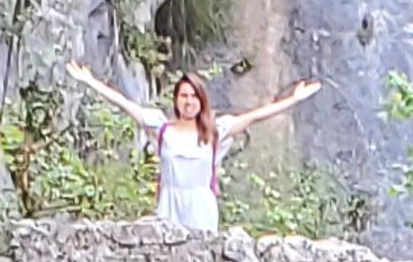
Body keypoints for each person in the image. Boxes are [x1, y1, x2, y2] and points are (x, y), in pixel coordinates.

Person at [66, 62, 322, 231]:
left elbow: (255, 115)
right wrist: (91, 81)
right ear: (176, 100)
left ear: (202, 101)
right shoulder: (161, 128)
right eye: (183, 96)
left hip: (201, 206)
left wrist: (292, 100)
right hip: (170, 203)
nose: (188, 102)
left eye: (193, 96)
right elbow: (124, 104)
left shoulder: (215, 131)